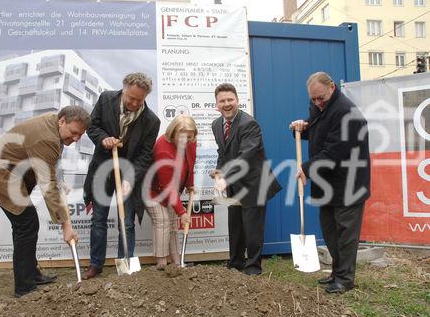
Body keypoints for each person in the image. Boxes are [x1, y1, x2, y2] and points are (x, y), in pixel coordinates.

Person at [0, 106, 89, 297]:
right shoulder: (46, 137)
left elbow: (49, 165)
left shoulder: (54, 126)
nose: (76, 139)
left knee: (26, 225)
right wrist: (66, 225)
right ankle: (24, 287)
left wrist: (58, 181)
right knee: (26, 224)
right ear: (62, 121)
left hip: (14, 172)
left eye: (80, 135)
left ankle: (31, 274)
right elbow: (48, 186)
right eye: (74, 132)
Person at [289, 71, 371, 294]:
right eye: (313, 99)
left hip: (348, 184)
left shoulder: (347, 114)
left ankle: (345, 279)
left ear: (332, 87)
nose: (317, 103)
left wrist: (305, 168)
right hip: (327, 183)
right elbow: (320, 130)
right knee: (330, 232)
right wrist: (303, 127)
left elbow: (335, 152)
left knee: (345, 234)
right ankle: (336, 272)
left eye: (320, 98)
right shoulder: (319, 105)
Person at [83, 72, 160, 279]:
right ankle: (95, 264)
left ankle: (125, 265)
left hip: (128, 173)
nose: (134, 103)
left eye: (139, 100)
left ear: (145, 97)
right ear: (123, 89)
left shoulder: (151, 121)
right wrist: (103, 139)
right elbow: (91, 125)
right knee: (98, 218)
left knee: (126, 222)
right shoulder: (106, 99)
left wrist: (129, 178)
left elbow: (145, 155)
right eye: (130, 98)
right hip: (102, 169)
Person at [211, 83, 281, 276]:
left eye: (230, 100)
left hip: (255, 183)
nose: (226, 104)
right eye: (222, 101)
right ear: (216, 104)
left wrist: (226, 177)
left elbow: (246, 156)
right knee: (235, 225)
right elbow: (223, 153)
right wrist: (219, 171)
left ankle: (253, 267)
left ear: (237, 101)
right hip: (235, 184)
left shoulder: (249, 124)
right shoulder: (217, 125)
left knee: (252, 229)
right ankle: (235, 263)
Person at [145, 115, 197, 270]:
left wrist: (190, 184)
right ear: (173, 133)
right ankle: (161, 264)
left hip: (173, 189)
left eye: (188, 137)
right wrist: (182, 212)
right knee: (162, 222)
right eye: (180, 137)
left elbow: (190, 163)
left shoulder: (191, 142)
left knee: (173, 226)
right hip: (154, 191)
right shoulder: (163, 148)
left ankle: (177, 263)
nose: (184, 141)